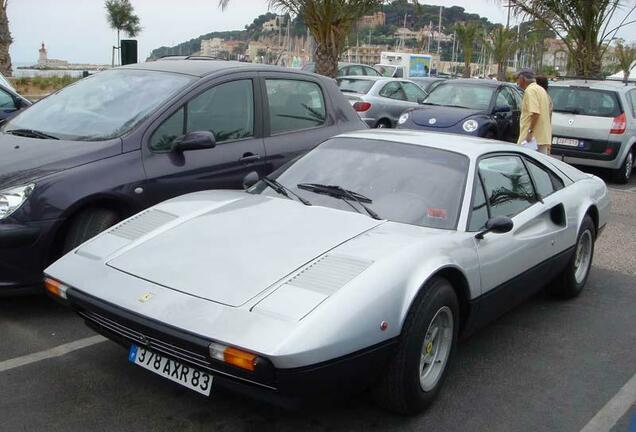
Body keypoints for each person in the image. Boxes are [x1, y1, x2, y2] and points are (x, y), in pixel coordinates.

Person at [516, 69, 552, 154]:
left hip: (531, 140)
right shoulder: (541, 90)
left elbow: (535, 113)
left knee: (523, 163)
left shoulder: (530, 91)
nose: (517, 81)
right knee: (539, 164)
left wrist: (530, 132)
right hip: (542, 138)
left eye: (517, 78)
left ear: (522, 78)